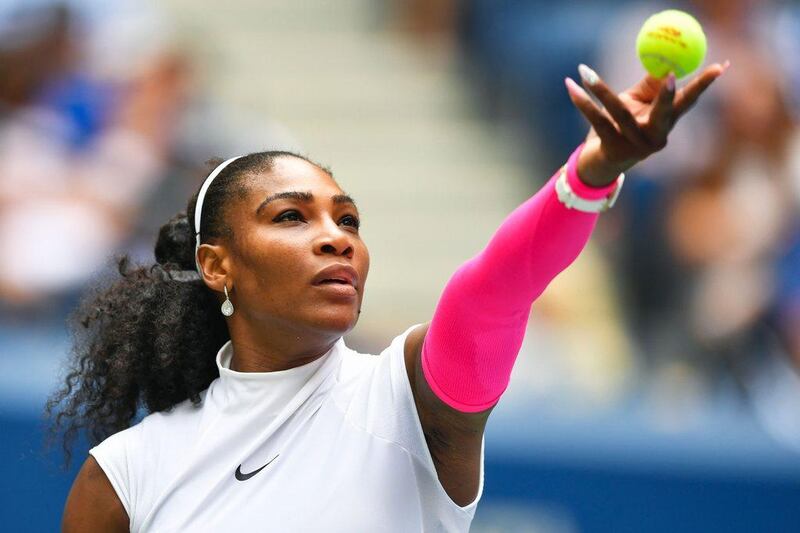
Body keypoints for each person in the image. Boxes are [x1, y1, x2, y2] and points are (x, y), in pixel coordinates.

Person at [50, 60, 727, 531]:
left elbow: (489, 294)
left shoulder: (408, 401)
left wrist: (590, 174)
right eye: (292, 217)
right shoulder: (125, 473)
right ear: (216, 264)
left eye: (348, 220)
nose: (336, 238)